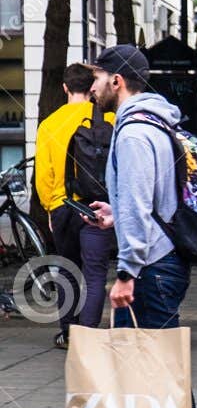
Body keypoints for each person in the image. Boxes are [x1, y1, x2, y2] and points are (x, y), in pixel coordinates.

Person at [86, 45, 197, 408]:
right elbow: (149, 201)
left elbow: (141, 205)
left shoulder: (135, 132)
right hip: (160, 260)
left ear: (117, 81)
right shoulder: (156, 121)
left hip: (151, 268)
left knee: (159, 372)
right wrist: (116, 214)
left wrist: (125, 271)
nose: (92, 86)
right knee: (146, 369)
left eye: (96, 77)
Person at [34, 62, 116, 347]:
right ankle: (89, 336)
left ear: (65, 87)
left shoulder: (49, 124)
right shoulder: (108, 118)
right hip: (97, 208)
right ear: (92, 87)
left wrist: (49, 206)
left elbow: (43, 175)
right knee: (95, 274)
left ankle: (68, 333)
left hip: (62, 206)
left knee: (67, 271)